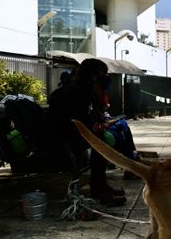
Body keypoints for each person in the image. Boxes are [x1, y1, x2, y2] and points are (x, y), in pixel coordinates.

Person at [48, 58, 126, 206]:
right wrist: (94, 127)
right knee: (101, 142)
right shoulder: (77, 90)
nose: (106, 78)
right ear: (93, 75)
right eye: (103, 74)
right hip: (64, 136)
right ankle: (99, 187)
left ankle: (101, 185)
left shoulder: (88, 90)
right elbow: (73, 119)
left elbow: (91, 116)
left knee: (107, 135)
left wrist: (98, 123)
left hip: (73, 133)